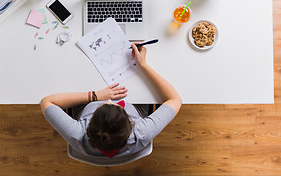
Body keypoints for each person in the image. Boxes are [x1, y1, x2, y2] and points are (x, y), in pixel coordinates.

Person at [40, 43, 182, 166]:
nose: (109, 100)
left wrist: (94, 96)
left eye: (103, 105)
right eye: (114, 105)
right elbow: (175, 99)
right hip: (134, 105)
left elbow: (47, 101)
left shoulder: (77, 134)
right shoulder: (141, 133)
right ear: (131, 124)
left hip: (86, 103)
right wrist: (143, 65)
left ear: (89, 126)